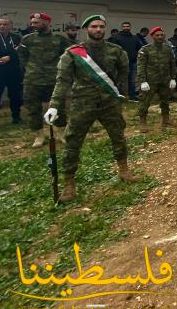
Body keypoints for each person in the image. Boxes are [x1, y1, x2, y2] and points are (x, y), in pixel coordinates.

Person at [44, 15, 134, 202]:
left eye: (101, 26)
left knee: (118, 136)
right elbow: (63, 81)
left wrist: (118, 89)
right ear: (87, 29)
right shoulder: (73, 52)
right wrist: (54, 105)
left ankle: (124, 170)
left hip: (109, 103)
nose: (98, 29)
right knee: (73, 141)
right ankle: (69, 183)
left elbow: (124, 70)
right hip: (82, 103)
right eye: (94, 26)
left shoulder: (115, 50)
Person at [19, 12, 71, 146]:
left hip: (53, 80)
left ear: (47, 22)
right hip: (32, 80)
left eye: (36, 22)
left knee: (58, 107)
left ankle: (60, 133)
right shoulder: (27, 39)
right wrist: (31, 68)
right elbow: (22, 56)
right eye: (32, 23)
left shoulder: (59, 39)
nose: (33, 25)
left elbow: (67, 55)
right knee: (33, 108)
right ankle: (39, 136)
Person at [136, 27, 177, 132]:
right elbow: (141, 66)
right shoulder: (145, 49)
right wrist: (143, 81)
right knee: (145, 101)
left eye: (161, 35)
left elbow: (172, 64)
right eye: (157, 35)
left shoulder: (168, 49)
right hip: (150, 81)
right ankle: (142, 122)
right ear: (152, 36)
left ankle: (166, 119)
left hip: (164, 80)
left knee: (165, 100)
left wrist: (173, 78)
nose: (160, 37)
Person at [0, 17, 23, 129]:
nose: (2, 26)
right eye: (0, 24)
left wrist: (9, 56)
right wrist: (1, 57)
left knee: (15, 95)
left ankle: (16, 117)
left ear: (10, 26)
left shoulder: (16, 37)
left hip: (13, 71)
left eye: (5, 24)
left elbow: (20, 52)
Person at [109, 22, 140, 100]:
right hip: (120, 62)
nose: (126, 28)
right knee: (119, 80)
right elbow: (113, 50)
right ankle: (117, 96)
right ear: (122, 27)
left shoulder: (135, 38)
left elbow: (139, 48)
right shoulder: (116, 37)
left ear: (130, 27)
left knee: (132, 81)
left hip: (132, 62)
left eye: (127, 26)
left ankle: (132, 97)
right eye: (124, 26)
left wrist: (136, 55)